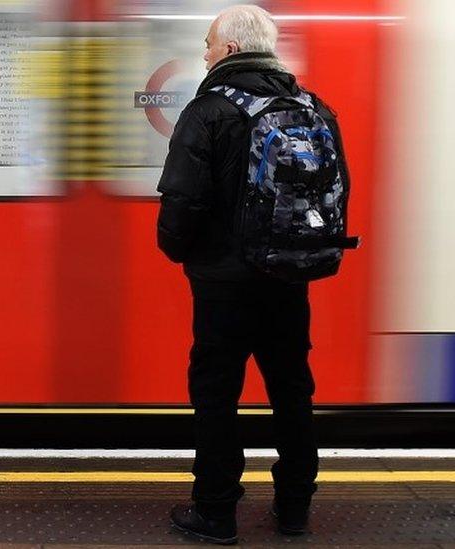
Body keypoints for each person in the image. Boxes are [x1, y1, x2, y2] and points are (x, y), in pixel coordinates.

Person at [157, 4, 350, 544]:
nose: (204, 53)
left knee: (217, 393)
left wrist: (178, 251)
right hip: (290, 278)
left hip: (223, 283)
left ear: (231, 50)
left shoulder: (210, 109)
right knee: (292, 389)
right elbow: (337, 192)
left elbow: (182, 198)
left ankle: (216, 512)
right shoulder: (314, 107)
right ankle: (294, 507)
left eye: (209, 44)